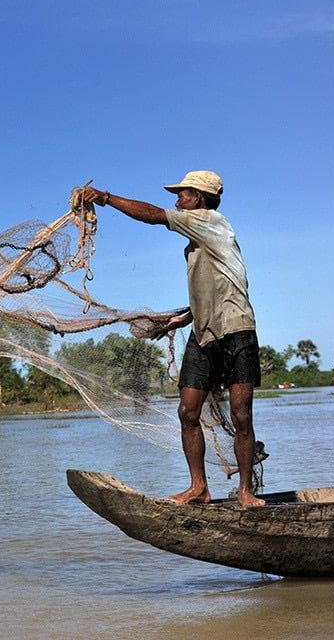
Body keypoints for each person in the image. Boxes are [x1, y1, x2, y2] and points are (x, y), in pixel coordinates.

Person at [81, 171, 266, 508]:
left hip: (237, 330)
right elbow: (216, 285)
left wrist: (106, 198)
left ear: (200, 197)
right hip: (203, 332)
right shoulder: (199, 238)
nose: (177, 199)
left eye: (183, 193)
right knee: (187, 412)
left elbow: (154, 215)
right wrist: (183, 318)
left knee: (241, 414)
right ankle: (199, 488)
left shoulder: (211, 221)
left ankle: (245, 491)